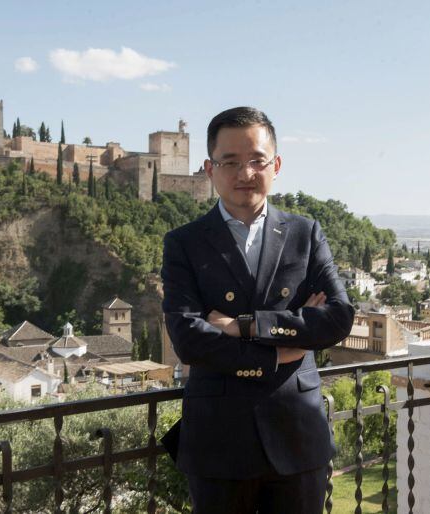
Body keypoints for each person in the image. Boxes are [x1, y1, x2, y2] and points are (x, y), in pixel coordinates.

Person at [161, 106, 354, 513]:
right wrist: (280, 350)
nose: (245, 173)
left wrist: (243, 326)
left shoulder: (306, 233)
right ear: (209, 168)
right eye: (230, 162)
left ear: (276, 165)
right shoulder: (184, 243)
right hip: (219, 441)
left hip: (298, 437)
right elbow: (188, 339)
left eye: (256, 161)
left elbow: (337, 318)